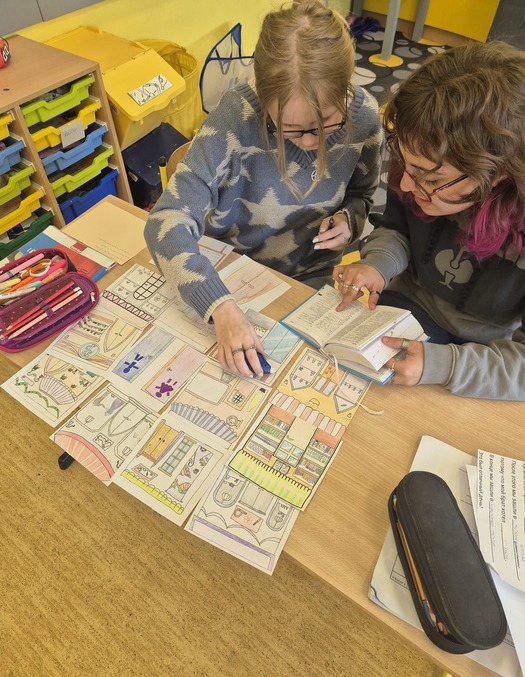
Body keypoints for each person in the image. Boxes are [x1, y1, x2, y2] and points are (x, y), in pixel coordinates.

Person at [144, 0, 381, 378]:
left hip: (310, 277)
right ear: (263, 97)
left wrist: (349, 221)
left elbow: (363, 195)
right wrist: (219, 305)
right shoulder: (235, 116)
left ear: (346, 90)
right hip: (229, 271)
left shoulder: (366, 118)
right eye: (290, 129)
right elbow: (166, 218)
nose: (310, 142)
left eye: (327, 125)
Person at [333, 41, 525, 400]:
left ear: (498, 173)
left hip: (490, 354)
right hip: (411, 307)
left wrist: (445, 365)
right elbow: (396, 230)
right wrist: (378, 263)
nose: (407, 185)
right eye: (405, 163)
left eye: (431, 178)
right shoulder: (421, 165)